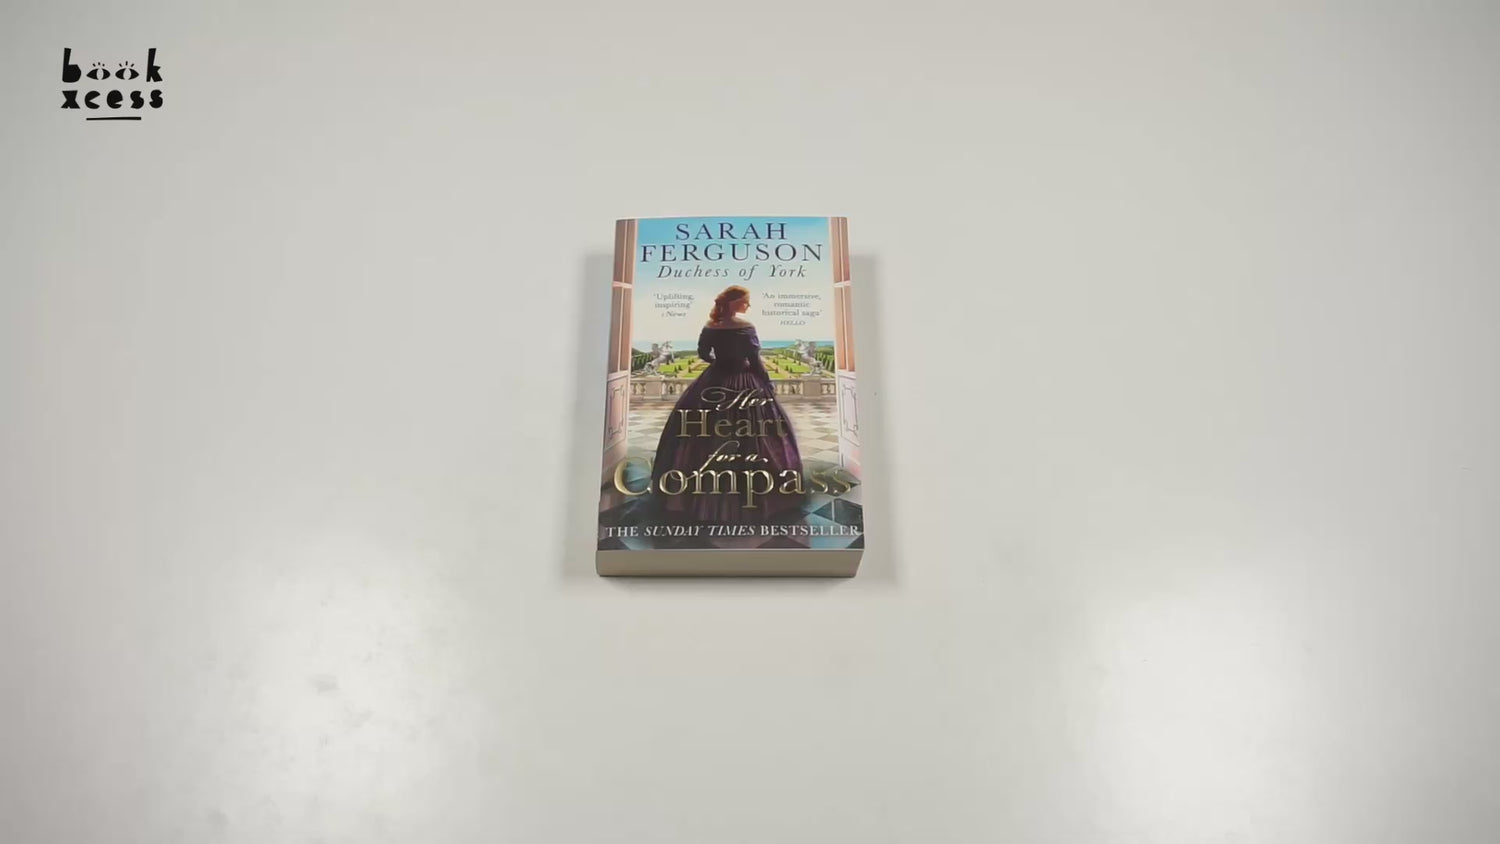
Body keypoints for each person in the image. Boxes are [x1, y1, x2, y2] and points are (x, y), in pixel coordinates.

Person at [650, 285, 804, 521]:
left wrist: (720, 362)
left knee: (703, 433)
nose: (748, 305)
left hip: (714, 380)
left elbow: (703, 354)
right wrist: (766, 382)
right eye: (745, 301)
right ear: (734, 302)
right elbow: (755, 361)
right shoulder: (746, 326)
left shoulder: (711, 326)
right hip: (746, 381)